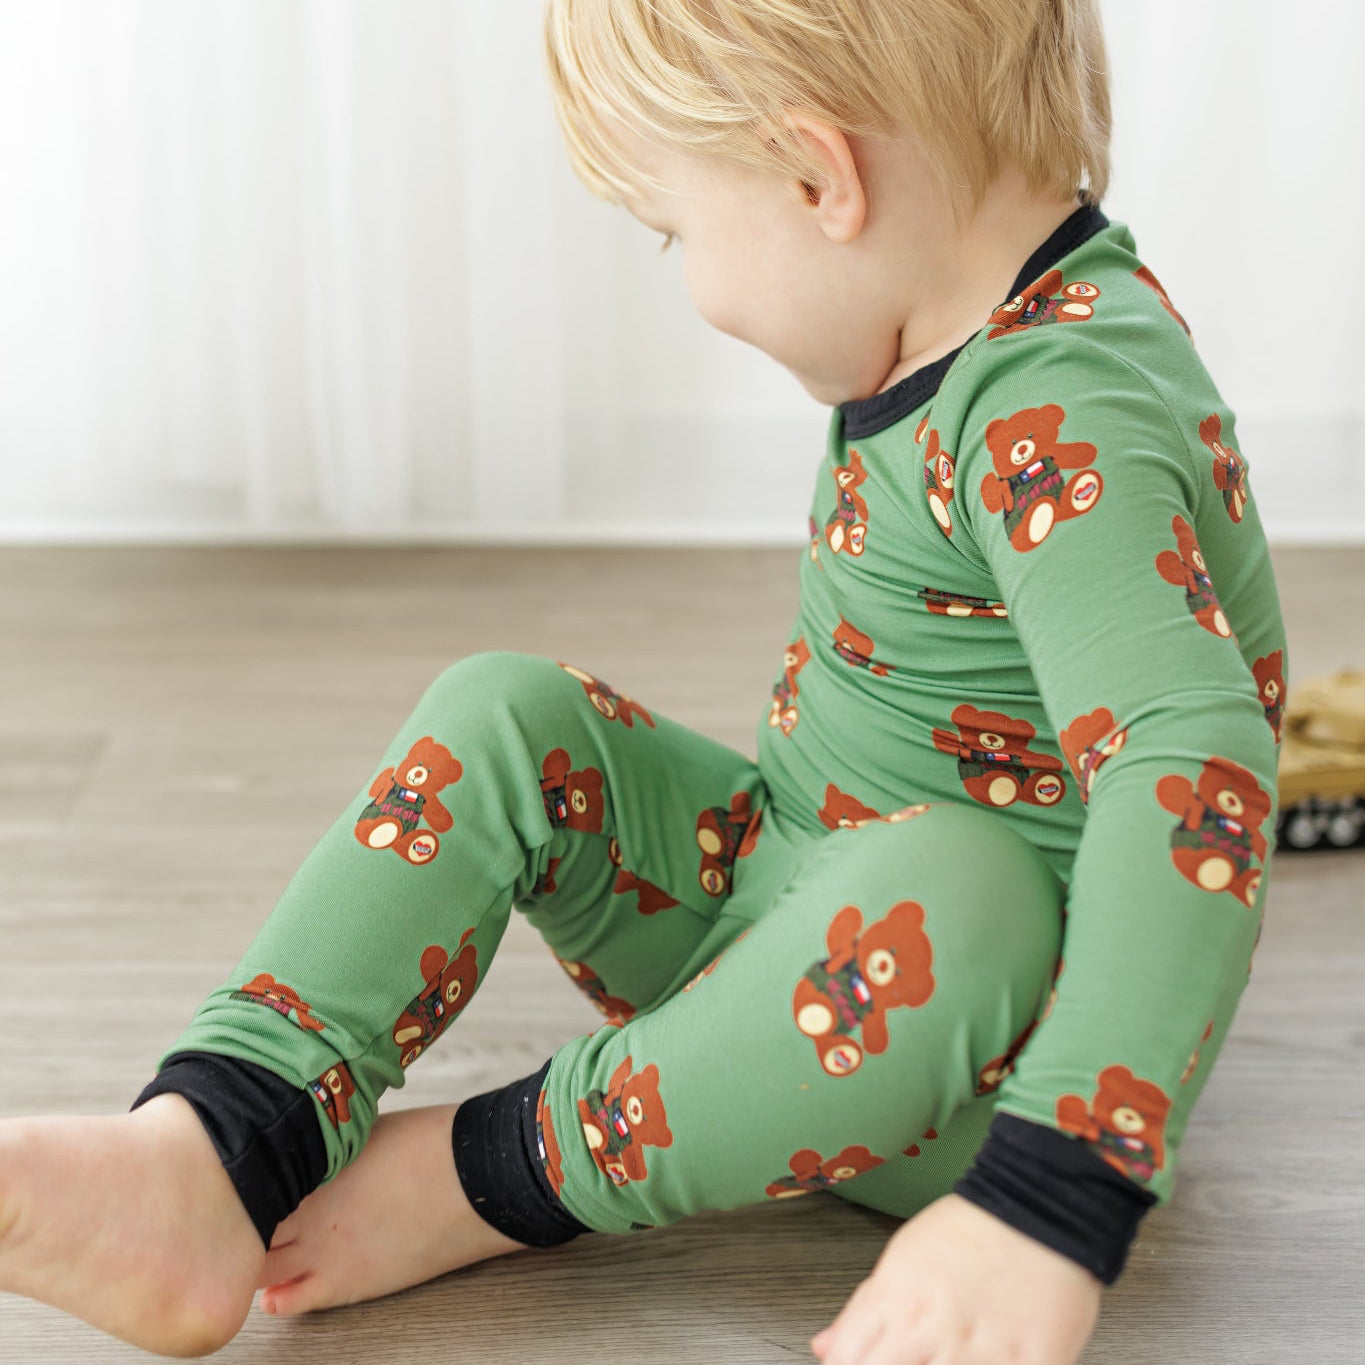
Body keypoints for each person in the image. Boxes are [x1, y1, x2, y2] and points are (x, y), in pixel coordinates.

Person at [0, 1, 1288, 1360]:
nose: (689, 282)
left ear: (814, 177)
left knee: (954, 890)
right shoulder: (962, 316)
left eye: (674, 232)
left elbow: (1185, 764)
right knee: (506, 711)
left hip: (971, 1050)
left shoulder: (1058, 400)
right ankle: (218, 1140)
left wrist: (1047, 1202)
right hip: (793, 913)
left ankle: (489, 1172)